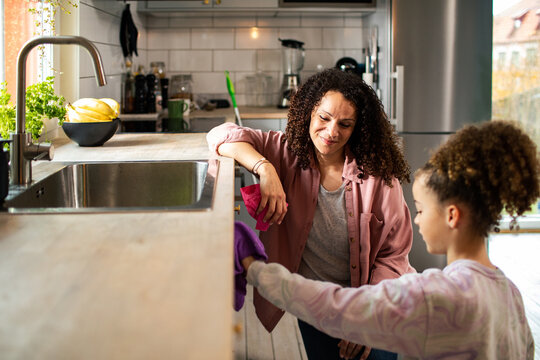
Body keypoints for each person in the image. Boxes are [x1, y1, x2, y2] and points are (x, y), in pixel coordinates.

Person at [238, 120, 539, 359]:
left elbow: (333, 306)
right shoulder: (509, 293)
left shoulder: (434, 296)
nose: (417, 219)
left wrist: (254, 268)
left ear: (451, 216)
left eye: (421, 209)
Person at [208, 68, 414, 360]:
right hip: (316, 304)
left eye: (345, 124)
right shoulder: (286, 151)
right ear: (308, 112)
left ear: (358, 128)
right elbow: (221, 134)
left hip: (373, 302)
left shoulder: (378, 175)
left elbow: (393, 256)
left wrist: (366, 318)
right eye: (324, 118)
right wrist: (264, 168)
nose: (332, 132)